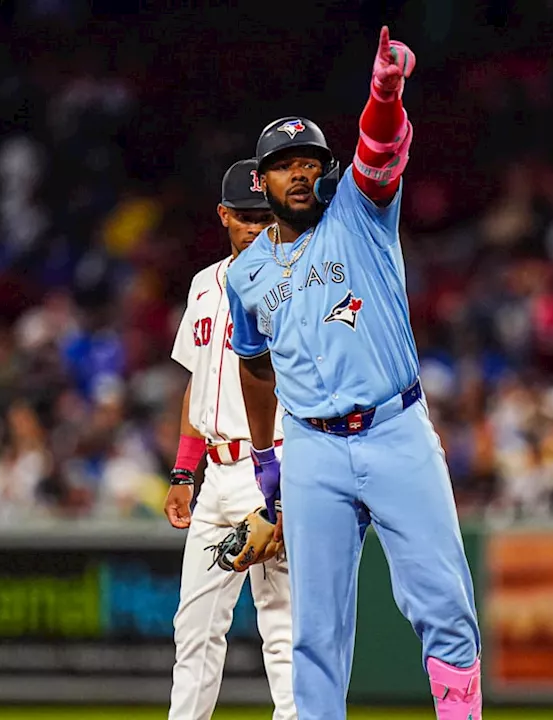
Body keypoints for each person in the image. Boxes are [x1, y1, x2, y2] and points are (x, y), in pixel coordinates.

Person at [224, 27, 482, 719]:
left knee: (445, 606)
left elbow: (380, 148)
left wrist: (385, 92)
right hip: (311, 449)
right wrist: (265, 462)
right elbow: (253, 368)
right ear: (262, 180)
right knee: (315, 634)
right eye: (286, 165)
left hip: (394, 430)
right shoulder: (245, 275)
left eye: (312, 161)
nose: (302, 173)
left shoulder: (359, 214)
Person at [166, 158, 295, 720]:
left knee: (284, 629)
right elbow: (197, 385)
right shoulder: (203, 284)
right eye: (243, 216)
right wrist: (182, 472)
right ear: (223, 216)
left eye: (263, 215)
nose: (254, 226)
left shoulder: (297, 280)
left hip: (276, 466)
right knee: (193, 630)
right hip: (214, 474)